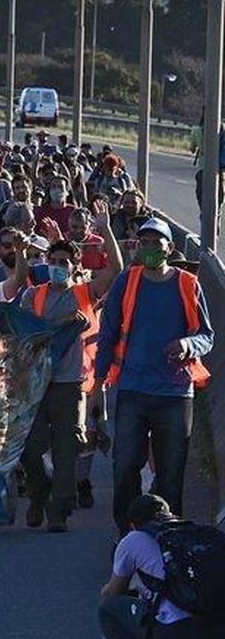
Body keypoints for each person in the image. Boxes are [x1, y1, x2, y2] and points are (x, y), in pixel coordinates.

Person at [96, 218, 214, 535]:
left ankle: (168, 537)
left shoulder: (188, 284)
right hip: (133, 389)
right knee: (124, 469)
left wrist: (188, 345)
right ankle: (128, 537)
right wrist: (97, 386)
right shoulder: (126, 282)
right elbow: (107, 335)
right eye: (143, 242)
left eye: (155, 242)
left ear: (169, 248)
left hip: (175, 395)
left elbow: (207, 335)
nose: (148, 248)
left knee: (171, 473)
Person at [19, 215, 122, 533]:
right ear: (47, 262)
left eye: (64, 261)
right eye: (54, 260)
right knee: (31, 448)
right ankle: (38, 495)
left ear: (75, 266)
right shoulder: (32, 296)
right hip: (36, 386)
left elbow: (116, 271)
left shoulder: (83, 294)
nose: (58, 265)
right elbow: (19, 335)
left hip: (70, 385)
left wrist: (105, 229)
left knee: (67, 448)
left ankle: (59, 510)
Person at [99, 494, 225, 639]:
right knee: (200, 599)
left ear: (133, 525)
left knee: (108, 610)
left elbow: (112, 594)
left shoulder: (134, 539)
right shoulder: (199, 534)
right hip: (220, 633)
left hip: (182, 637)